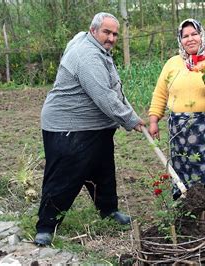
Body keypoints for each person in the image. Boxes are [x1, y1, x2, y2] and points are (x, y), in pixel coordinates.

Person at [35, 12, 145, 246]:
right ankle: (46, 226)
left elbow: (112, 88)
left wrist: (128, 110)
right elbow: (104, 96)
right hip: (69, 127)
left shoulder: (87, 41)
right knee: (63, 177)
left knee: (102, 170)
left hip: (96, 127)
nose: (112, 38)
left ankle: (108, 210)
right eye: (107, 32)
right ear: (93, 30)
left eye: (115, 33)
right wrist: (131, 120)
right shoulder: (87, 56)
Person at [148, 19, 205, 220]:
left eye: (194, 34)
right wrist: (153, 120)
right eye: (185, 36)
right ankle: (188, 217)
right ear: (180, 40)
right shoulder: (172, 64)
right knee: (184, 172)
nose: (190, 39)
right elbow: (160, 94)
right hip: (181, 132)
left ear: (201, 35)